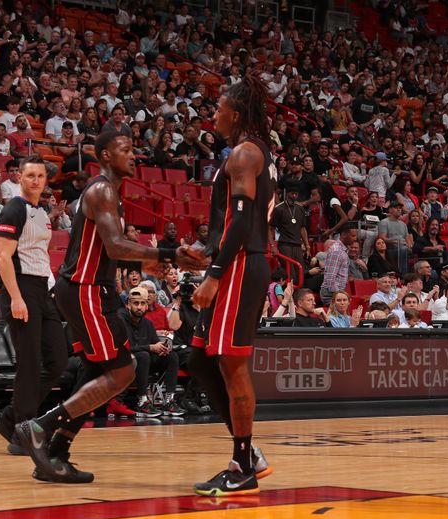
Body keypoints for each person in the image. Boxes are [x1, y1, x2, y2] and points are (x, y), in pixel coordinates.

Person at [15, 131, 203, 484]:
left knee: (94, 375)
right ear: (104, 154)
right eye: (125, 150)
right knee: (123, 370)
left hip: (90, 290)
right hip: (84, 290)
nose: (134, 156)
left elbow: (110, 250)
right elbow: (116, 246)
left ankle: (57, 454)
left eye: (134, 149)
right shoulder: (102, 190)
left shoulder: (111, 193)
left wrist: (149, 262)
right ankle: (39, 427)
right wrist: (165, 253)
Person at [185, 77, 275, 497]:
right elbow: (230, 220)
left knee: (233, 364)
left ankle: (242, 464)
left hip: (240, 266)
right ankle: (248, 451)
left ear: (235, 114)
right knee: (200, 357)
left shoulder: (244, 152)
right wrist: (206, 252)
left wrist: (216, 272)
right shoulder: (250, 151)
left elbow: (241, 221)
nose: (214, 115)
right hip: (234, 259)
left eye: (219, 109)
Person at [0, 157, 69, 456]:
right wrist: (17, 298)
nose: (36, 180)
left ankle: (9, 419)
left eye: (40, 176)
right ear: (19, 178)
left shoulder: (42, 213)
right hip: (19, 288)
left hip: (41, 288)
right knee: (30, 364)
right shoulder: (14, 208)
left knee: (58, 361)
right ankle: (22, 430)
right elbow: (3, 258)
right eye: (30, 175)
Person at [119, 286, 183, 417]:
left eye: (143, 303)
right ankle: (142, 401)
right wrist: (150, 347)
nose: (139, 307)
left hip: (146, 361)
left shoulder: (147, 323)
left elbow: (155, 344)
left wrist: (162, 349)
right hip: (127, 362)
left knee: (172, 356)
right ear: (128, 304)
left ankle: (169, 400)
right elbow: (125, 348)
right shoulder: (120, 319)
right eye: (136, 303)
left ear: (147, 306)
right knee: (143, 355)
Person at [319, 222, 357, 305]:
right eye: (353, 236)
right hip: (331, 294)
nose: (355, 239)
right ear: (343, 235)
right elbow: (330, 277)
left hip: (337, 293)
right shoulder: (336, 251)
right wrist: (339, 295)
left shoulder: (342, 250)